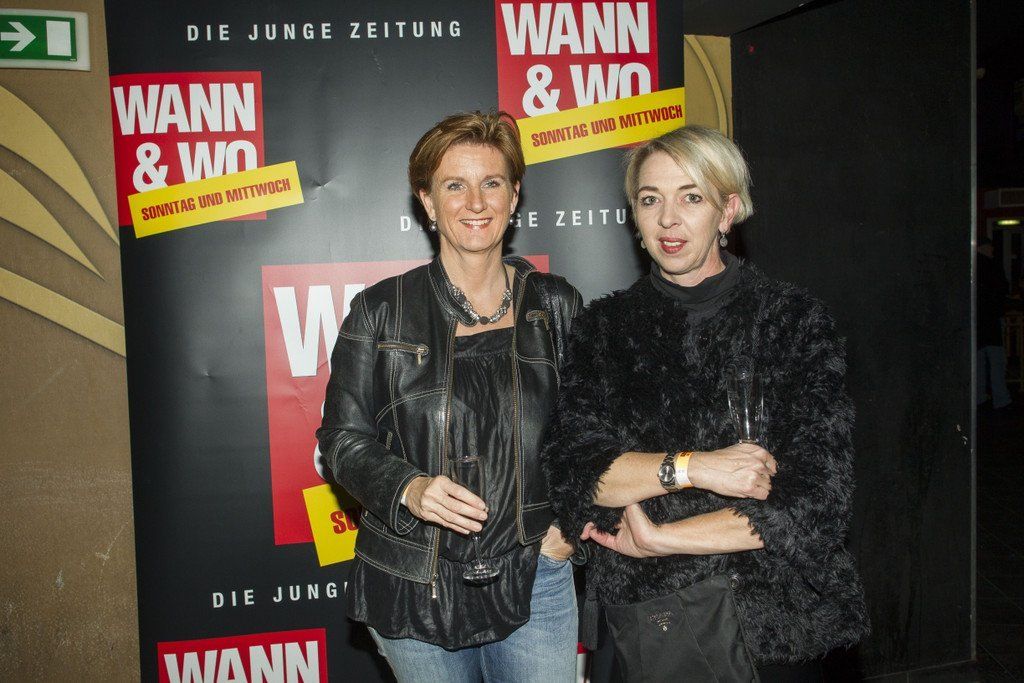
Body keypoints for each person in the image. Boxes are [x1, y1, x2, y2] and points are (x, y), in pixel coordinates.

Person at [316, 113, 778, 683]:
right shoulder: (380, 310)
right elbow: (342, 440)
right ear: (427, 202)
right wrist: (408, 488)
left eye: (491, 183)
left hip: (539, 575)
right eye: (454, 185)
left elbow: (595, 438)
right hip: (414, 580)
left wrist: (567, 527)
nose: (475, 202)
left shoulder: (557, 306)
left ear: (514, 197)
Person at [542, 126, 869, 681]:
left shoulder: (791, 322)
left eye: (691, 197)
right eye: (651, 200)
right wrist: (697, 468)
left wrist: (661, 538)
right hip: (649, 624)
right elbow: (578, 473)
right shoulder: (603, 329)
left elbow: (815, 502)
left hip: (773, 625)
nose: (668, 219)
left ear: (728, 211)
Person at [976, 236, 1011, 411]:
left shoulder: (971, 267)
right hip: (992, 320)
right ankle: (1001, 398)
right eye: (990, 246)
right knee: (997, 361)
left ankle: (978, 396)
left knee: (978, 361)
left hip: (977, 321)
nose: (992, 250)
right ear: (983, 247)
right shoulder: (993, 266)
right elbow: (1003, 288)